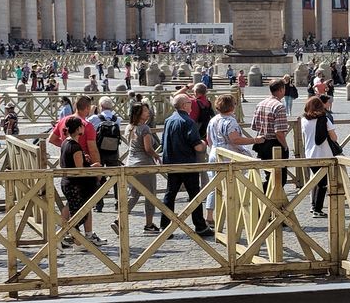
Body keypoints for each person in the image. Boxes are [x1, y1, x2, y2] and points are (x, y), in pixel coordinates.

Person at [48, 96, 106, 247]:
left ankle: (63, 231)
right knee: (86, 203)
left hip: (68, 169)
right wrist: (96, 168)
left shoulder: (64, 121)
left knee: (73, 203)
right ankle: (82, 234)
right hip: (82, 170)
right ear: (87, 108)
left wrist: (66, 148)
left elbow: (52, 139)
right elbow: (93, 149)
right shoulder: (86, 125)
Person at [204, 95, 264, 225]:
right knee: (235, 184)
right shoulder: (230, 121)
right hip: (228, 155)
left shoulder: (213, 120)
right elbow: (235, 139)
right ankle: (235, 215)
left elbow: (208, 139)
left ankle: (210, 215)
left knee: (214, 185)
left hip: (215, 152)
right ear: (232, 106)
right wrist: (254, 140)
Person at [159, 94, 213, 237]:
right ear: (184, 105)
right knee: (195, 195)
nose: (192, 105)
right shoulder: (188, 122)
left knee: (170, 195)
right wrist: (204, 143)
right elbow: (197, 147)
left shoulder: (168, 120)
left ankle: (165, 226)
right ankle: (200, 226)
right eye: (189, 102)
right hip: (187, 164)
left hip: (171, 162)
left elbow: (162, 142)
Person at [110, 103, 161, 236]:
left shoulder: (129, 127)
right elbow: (148, 149)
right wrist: (157, 156)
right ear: (138, 113)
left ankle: (118, 220)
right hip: (144, 164)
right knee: (150, 194)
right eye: (145, 110)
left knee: (133, 195)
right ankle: (149, 224)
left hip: (131, 163)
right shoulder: (144, 128)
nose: (148, 112)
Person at [59, 116, 104, 251]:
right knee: (78, 213)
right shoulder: (76, 146)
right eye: (82, 126)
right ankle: (76, 241)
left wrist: (85, 159)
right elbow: (80, 171)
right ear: (78, 129)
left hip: (67, 182)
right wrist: (94, 166)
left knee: (74, 210)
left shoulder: (65, 143)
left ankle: (65, 237)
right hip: (75, 185)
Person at [300, 96, 338, 217]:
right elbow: (334, 137)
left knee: (316, 181)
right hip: (324, 154)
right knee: (322, 183)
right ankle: (317, 209)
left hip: (309, 153)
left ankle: (313, 205)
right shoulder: (325, 119)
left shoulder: (303, 120)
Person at [251, 79, 290, 188]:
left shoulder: (260, 104)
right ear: (281, 89)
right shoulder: (279, 106)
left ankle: (263, 201)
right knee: (279, 179)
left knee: (270, 175)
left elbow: (255, 126)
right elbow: (279, 132)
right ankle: (261, 197)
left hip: (262, 144)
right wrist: (285, 147)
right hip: (275, 145)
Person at [87, 96, 122, 213]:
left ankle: (99, 203)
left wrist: (92, 112)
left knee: (98, 176)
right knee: (115, 176)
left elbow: (86, 126)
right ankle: (118, 202)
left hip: (99, 151)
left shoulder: (94, 118)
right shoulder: (118, 119)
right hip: (113, 152)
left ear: (100, 106)